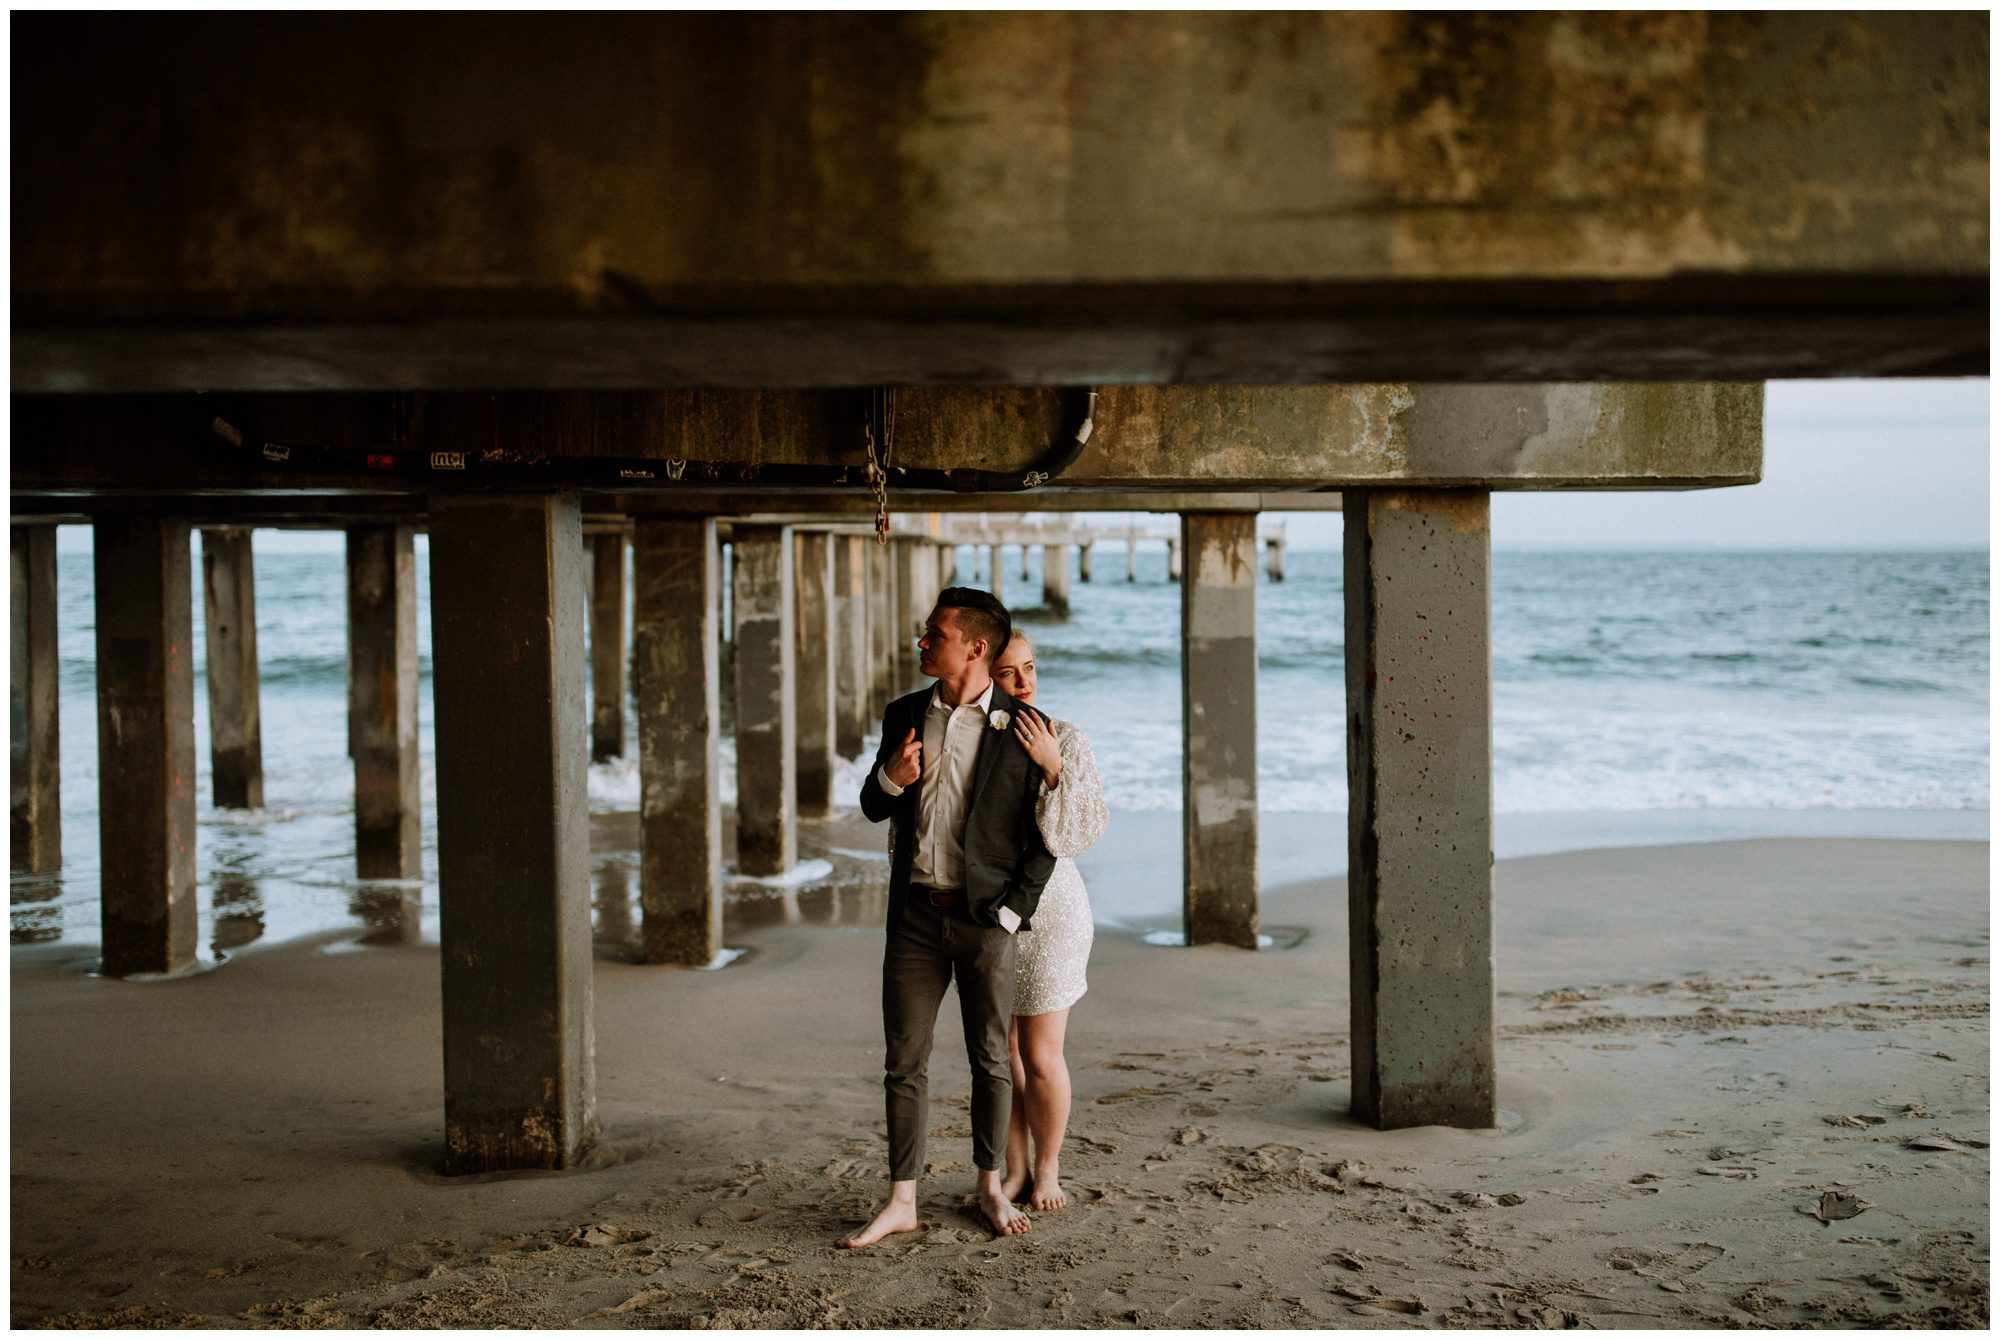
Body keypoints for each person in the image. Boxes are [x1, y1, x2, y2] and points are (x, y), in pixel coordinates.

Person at [840, 587, 1059, 1248]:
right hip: (913, 916)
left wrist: (1014, 912)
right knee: (903, 1061)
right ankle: (901, 1200)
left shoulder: (1026, 727)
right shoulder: (904, 713)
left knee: (990, 1059)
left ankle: (991, 1187)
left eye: (935, 634)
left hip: (985, 920)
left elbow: (1047, 834)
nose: (922, 641)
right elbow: (872, 805)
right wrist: (892, 779)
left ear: (975, 648)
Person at [991, 631, 1108, 1211]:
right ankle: (1014, 1169)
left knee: (1040, 1055)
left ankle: (1048, 1167)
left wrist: (1053, 766)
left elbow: (1078, 834)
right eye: (1008, 672)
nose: (1024, 682)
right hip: (991, 912)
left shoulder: (1068, 738)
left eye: (1030, 667)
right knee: (1003, 1054)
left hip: (1055, 909)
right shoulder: (972, 740)